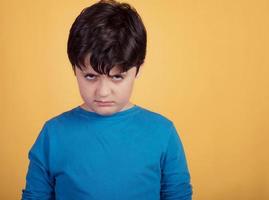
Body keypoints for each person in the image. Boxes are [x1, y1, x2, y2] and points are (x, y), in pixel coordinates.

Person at [21, 0, 193, 199]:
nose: (103, 92)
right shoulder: (53, 134)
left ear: (138, 69)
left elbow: (177, 195)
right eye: (90, 76)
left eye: (117, 77)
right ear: (74, 69)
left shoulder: (163, 133)